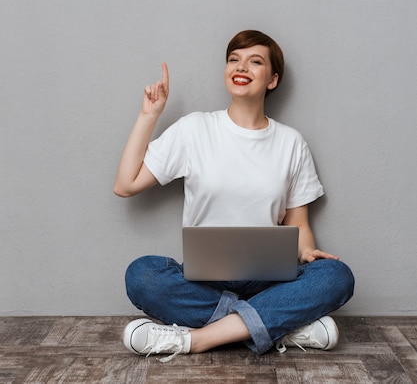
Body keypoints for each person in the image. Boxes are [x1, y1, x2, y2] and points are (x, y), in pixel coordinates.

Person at [114, 30, 354, 361]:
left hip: (268, 281)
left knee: (336, 275)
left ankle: (195, 340)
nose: (241, 67)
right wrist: (148, 116)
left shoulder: (291, 143)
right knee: (141, 275)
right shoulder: (194, 129)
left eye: (255, 61)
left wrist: (308, 251)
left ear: (272, 79)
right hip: (205, 281)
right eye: (233, 59)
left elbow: (298, 224)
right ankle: (279, 325)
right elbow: (125, 185)